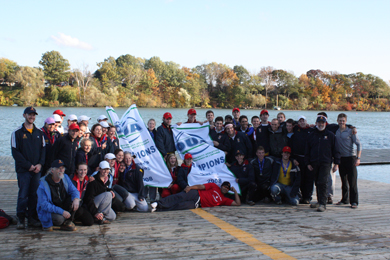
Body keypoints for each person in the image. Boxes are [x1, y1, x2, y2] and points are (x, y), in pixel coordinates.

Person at [11, 107, 46, 229]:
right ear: (24, 115)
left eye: (33, 115)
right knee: (23, 194)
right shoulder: (17, 133)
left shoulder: (39, 133)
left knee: (34, 194)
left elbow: (43, 150)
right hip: (24, 170)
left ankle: (32, 218)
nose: (32, 117)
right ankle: (20, 218)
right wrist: (28, 166)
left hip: (36, 170)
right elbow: (15, 153)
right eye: (29, 115)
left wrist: (40, 164)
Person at [37, 160, 94, 231]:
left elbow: (74, 190)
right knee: (59, 219)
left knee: (78, 207)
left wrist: (76, 199)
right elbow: (44, 205)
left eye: (63, 168)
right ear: (52, 170)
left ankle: (68, 221)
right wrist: (61, 211)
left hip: (63, 205)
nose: (61, 170)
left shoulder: (65, 178)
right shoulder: (43, 184)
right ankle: (62, 222)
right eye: (58, 168)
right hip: (50, 210)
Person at [305, 116, 340, 212]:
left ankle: (323, 204)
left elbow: (336, 150)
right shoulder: (311, 135)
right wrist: (307, 163)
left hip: (326, 162)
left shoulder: (330, 135)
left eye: (322, 123)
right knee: (317, 182)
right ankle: (319, 200)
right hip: (314, 162)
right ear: (316, 123)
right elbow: (307, 150)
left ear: (325, 123)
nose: (321, 124)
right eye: (319, 123)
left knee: (323, 182)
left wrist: (337, 163)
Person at [150, 181, 241, 212]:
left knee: (179, 206)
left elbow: (237, 203)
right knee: (179, 197)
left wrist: (235, 192)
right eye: (224, 186)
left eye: (227, 188)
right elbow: (201, 186)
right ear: (221, 186)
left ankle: (158, 208)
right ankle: (157, 203)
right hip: (196, 193)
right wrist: (190, 187)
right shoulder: (214, 186)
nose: (225, 188)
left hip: (197, 204)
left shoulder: (224, 199)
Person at [335, 113, 362, 208]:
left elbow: (359, 144)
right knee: (343, 181)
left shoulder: (351, 131)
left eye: (343, 120)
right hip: (341, 159)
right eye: (340, 120)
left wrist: (358, 158)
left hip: (351, 158)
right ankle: (345, 199)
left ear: (346, 121)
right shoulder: (336, 130)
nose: (341, 122)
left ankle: (354, 201)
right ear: (337, 121)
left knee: (352, 181)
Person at [290, 115, 313, 204]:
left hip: (308, 158)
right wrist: (293, 158)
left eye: (303, 121)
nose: (302, 123)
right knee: (300, 178)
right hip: (298, 158)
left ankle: (307, 197)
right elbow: (287, 123)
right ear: (298, 122)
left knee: (309, 178)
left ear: (306, 121)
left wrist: (350, 126)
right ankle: (300, 195)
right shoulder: (295, 129)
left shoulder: (311, 130)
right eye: (300, 121)